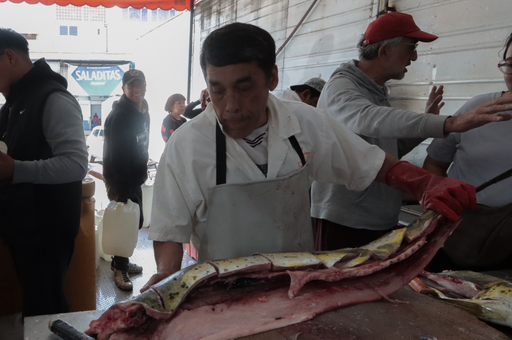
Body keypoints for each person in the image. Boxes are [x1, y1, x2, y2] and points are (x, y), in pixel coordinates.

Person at [142, 22, 479, 291]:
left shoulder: (304, 122)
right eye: (217, 90)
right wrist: (165, 278)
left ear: (272, 77)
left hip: (296, 286)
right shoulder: (186, 146)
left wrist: (424, 182)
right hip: (220, 291)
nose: (230, 105)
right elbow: (170, 228)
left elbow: (367, 161)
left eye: (244, 88)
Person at [311, 12, 512, 251]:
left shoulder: (376, 91)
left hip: (374, 217)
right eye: (411, 48)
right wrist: (450, 123)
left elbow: (387, 147)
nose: (414, 57)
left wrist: (427, 124)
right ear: (384, 51)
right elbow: (366, 119)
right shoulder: (342, 87)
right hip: (345, 219)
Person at [0, 27, 88, 317]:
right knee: (37, 303)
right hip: (24, 228)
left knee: (47, 307)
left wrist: (14, 170)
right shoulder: (15, 103)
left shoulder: (53, 99)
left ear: (9, 56)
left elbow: (75, 164)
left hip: (47, 230)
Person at [422, 33, 512, 269]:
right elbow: (434, 163)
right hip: (461, 237)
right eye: (511, 64)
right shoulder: (476, 108)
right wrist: (441, 206)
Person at [102, 69, 150, 290]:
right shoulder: (120, 115)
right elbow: (117, 154)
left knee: (135, 221)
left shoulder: (144, 110)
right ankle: (119, 268)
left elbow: (142, 144)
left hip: (135, 176)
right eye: (131, 85)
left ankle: (121, 261)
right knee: (123, 222)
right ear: (123, 89)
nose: (136, 89)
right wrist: (121, 188)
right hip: (120, 177)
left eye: (139, 84)